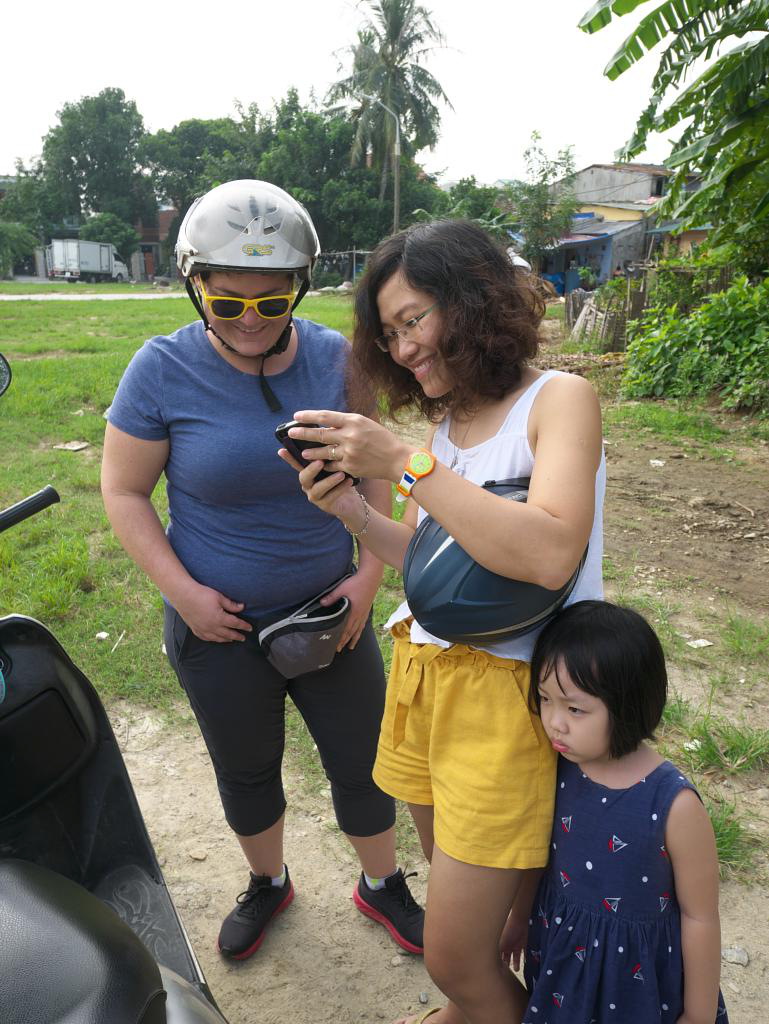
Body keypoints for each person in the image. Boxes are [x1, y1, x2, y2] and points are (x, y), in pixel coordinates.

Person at [280, 219, 606, 1024]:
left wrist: (402, 463)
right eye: (388, 335)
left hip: (507, 700)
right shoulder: (445, 427)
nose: (402, 349)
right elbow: (432, 569)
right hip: (428, 684)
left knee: (453, 954)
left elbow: (548, 554)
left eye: (412, 320)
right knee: (473, 927)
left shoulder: (557, 401)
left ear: (472, 301)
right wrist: (354, 512)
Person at [100, 179, 424, 962]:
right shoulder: (160, 370)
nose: (249, 319)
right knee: (246, 770)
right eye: (227, 301)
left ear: (298, 290)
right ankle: (267, 881)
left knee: (362, 762)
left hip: (331, 612)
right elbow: (124, 491)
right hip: (217, 625)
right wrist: (185, 596)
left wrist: (366, 580)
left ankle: (381, 883)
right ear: (195, 286)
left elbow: (376, 471)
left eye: (271, 302)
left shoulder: (337, 359)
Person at [512, 600, 728, 1023]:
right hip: (563, 963)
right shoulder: (555, 769)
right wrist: (519, 918)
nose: (554, 721)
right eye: (544, 699)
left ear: (629, 704)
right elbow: (537, 860)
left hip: (638, 983)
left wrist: (699, 1015)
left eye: (575, 708)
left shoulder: (673, 803)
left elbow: (700, 916)